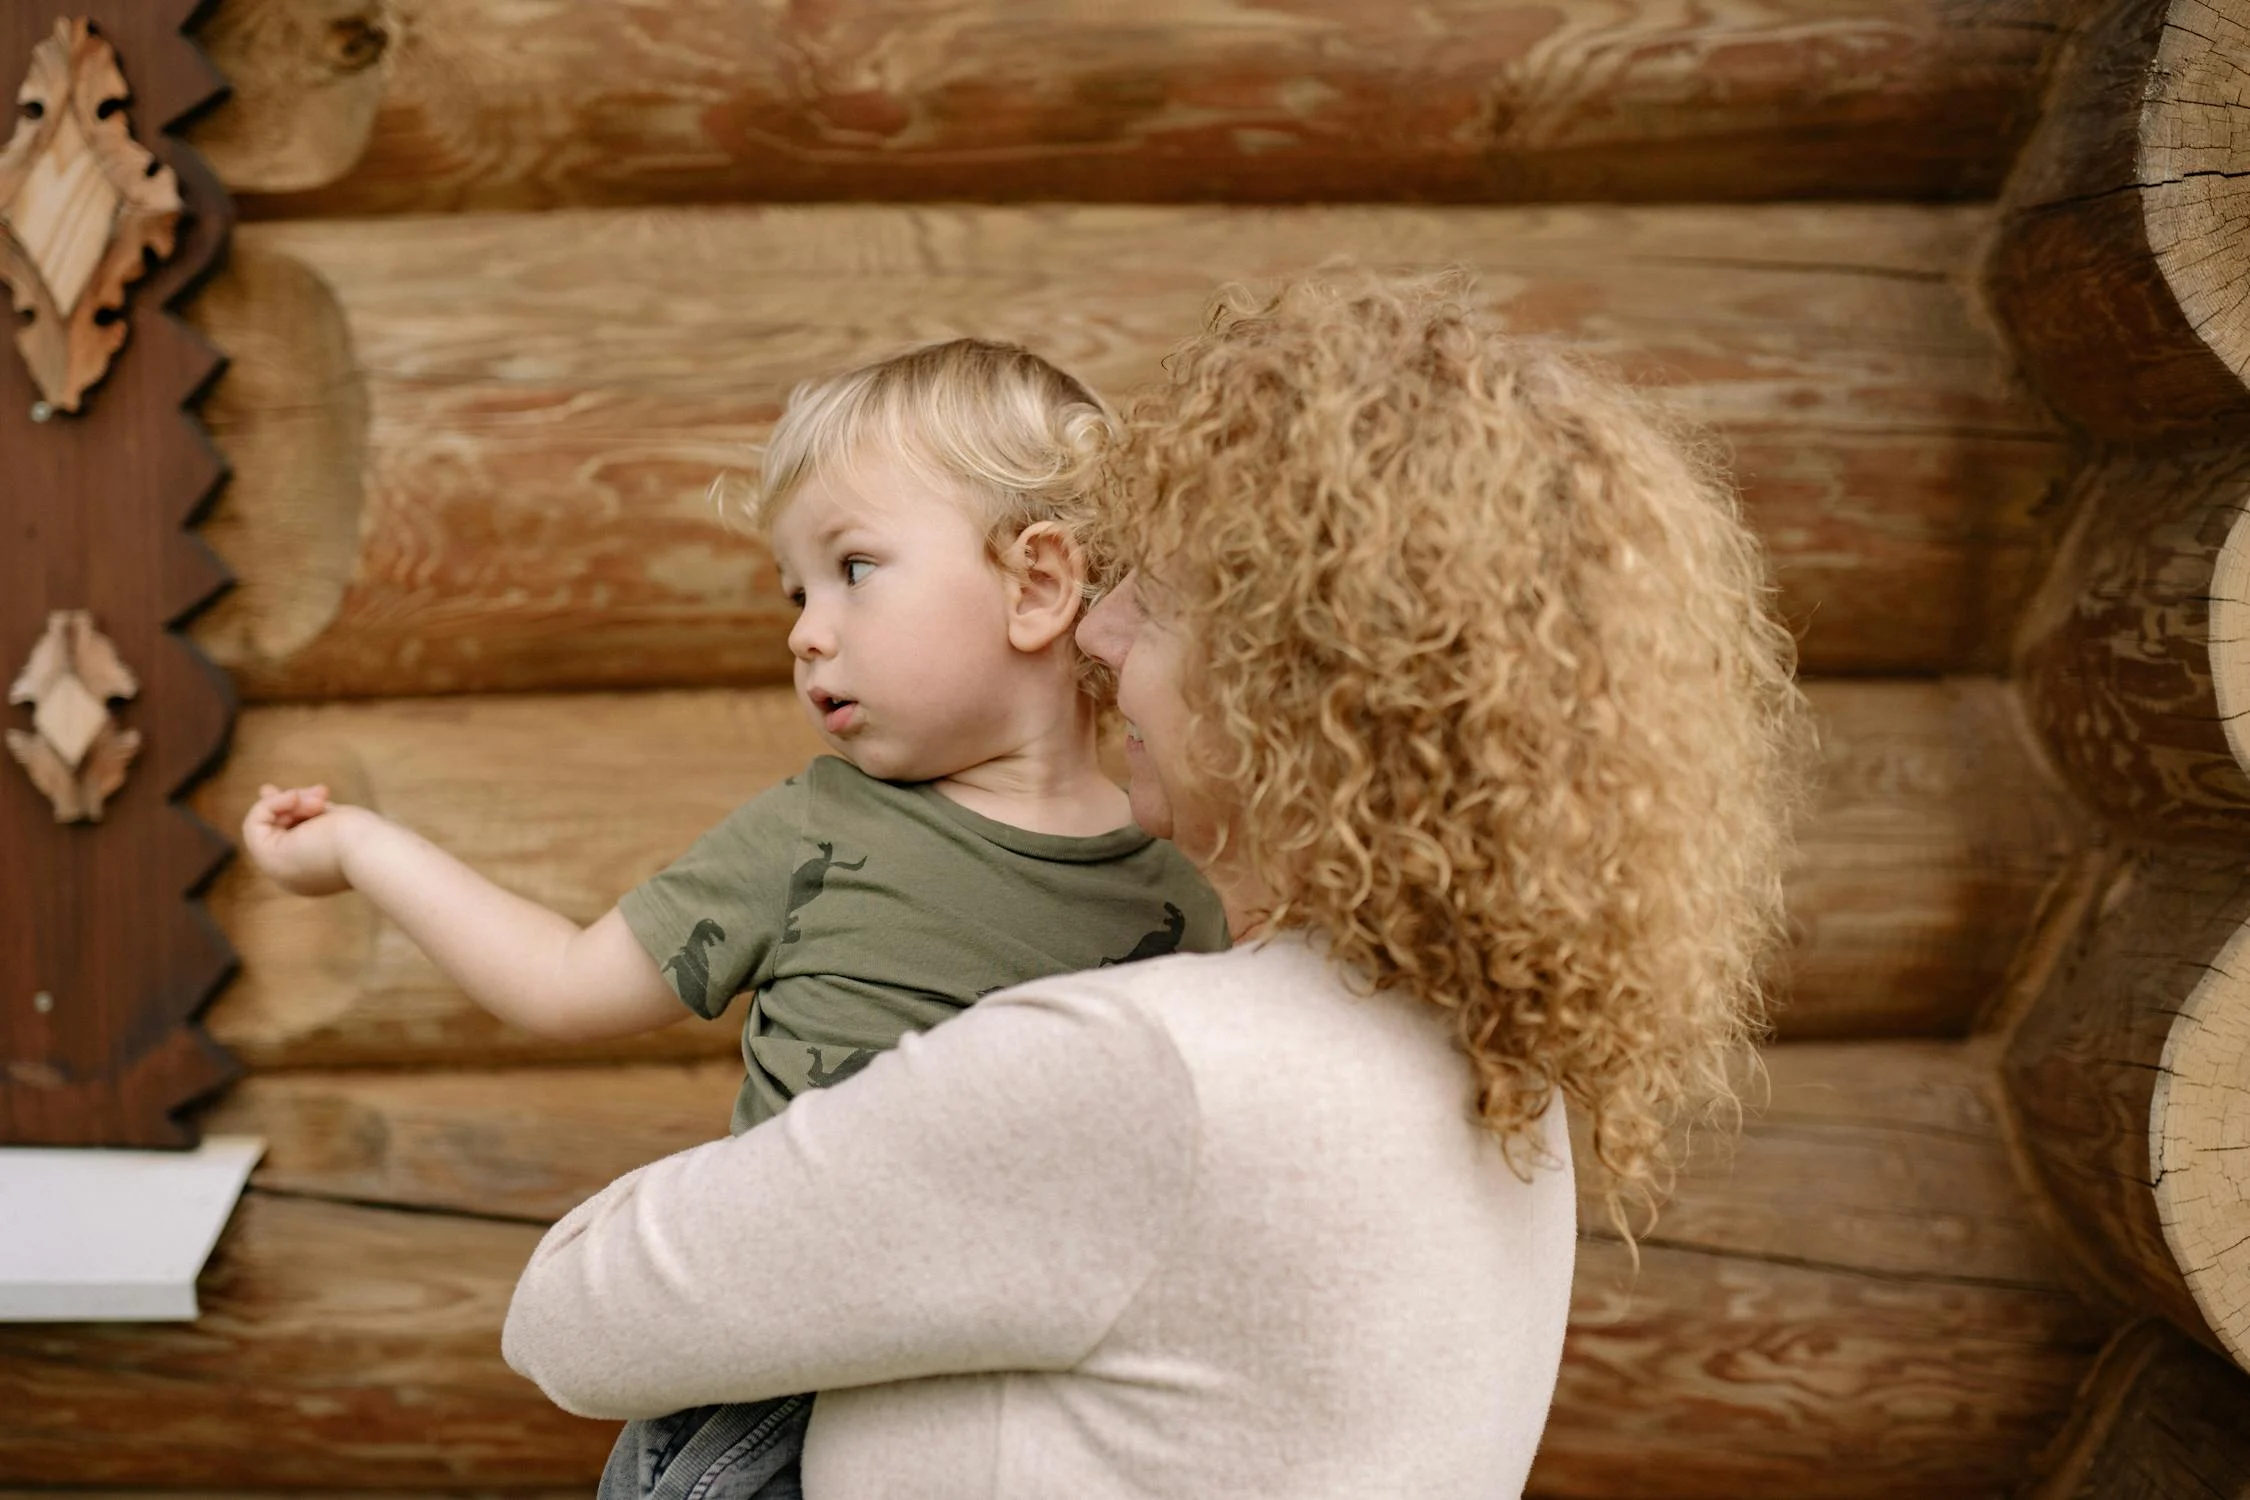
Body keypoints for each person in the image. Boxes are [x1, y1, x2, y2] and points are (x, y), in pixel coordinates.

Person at [501, 273, 1807, 1499]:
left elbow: (574, 1316)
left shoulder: (1147, 1074)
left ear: (1300, 682)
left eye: (1163, 601)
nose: (1102, 633)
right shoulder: (1489, 1061)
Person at [239, 339, 1227, 1500]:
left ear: (1037, 587)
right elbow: (563, 981)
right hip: (770, 1407)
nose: (806, 631)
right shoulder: (815, 833)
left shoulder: (1181, 887)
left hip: (1028, 1406)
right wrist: (364, 847)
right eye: (794, 591)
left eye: (854, 568)